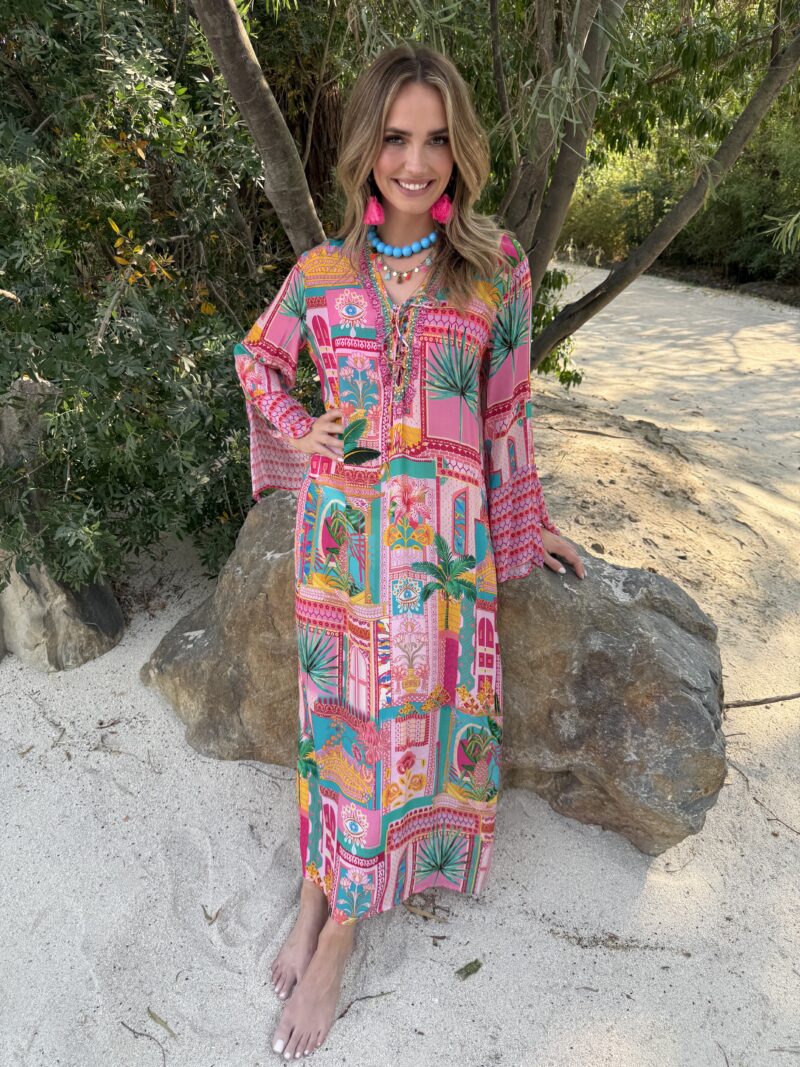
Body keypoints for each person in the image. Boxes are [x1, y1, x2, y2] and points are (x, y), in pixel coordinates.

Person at [234, 41, 585, 1061]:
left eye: (435, 140)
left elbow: (506, 410)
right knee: (336, 726)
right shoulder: (323, 273)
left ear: (459, 149)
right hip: (340, 553)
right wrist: (301, 432)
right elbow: (256, 358)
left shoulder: (497, 267)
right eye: (395, 138)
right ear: (366, 148)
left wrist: (527, 520)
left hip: (440, 561)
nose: (416, 162)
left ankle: (338, 931)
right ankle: (317, 892)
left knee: (399, 736)